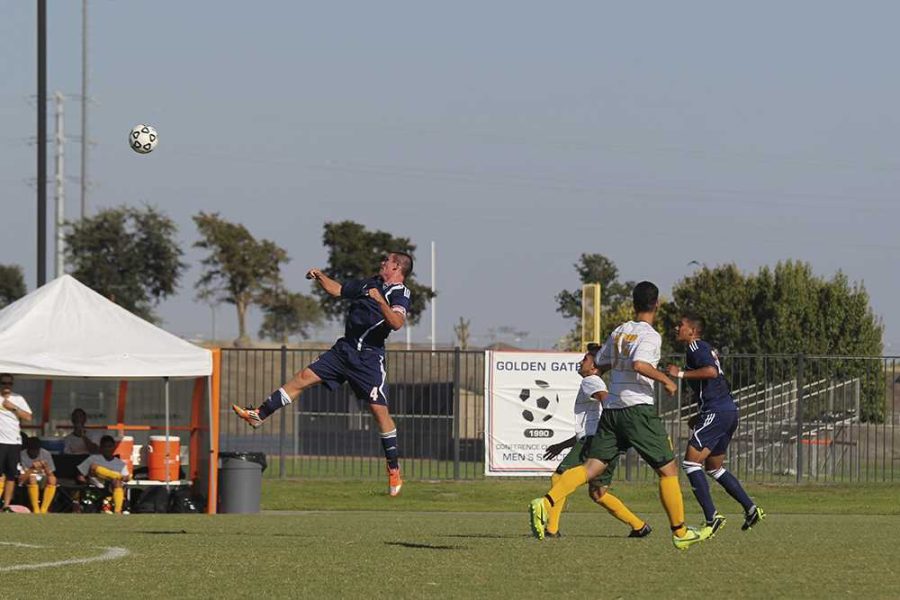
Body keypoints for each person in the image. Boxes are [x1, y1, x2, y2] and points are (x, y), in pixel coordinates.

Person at [529, 282, 705, 549]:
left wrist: (618, 364)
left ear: (633, 304)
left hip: (612, 411)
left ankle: (546, 502)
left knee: (590, 468)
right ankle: (680, 533)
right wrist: (666, 381)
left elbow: (601, 363)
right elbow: (640, 365)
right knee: (668, 470)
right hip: (637, 410)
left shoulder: (620, 331)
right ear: (656, 304)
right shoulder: (650, 335)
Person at [233, 253, 414, 496]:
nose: (381, 262)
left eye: (386, 260)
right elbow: (338, 289)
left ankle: (393, 469)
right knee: (302, 378)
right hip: (344, 350)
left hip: (369, 358)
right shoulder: (369, 283)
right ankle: (259, 415)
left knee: (379, 412)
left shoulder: (400, 293)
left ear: (396, 266)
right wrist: (320, 276)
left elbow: (397, 323)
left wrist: (380, 301)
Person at [665, 313, 765, 536]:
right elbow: (716, 379)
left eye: (680, 325)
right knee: (714, 467)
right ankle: (750, 509)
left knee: (690, 464)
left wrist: (679, 373)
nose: (676, 328)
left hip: (718, 411)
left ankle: (712, 517)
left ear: (692, 331)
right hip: (727, 411)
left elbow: (711, 372)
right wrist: (701, 414)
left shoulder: (695, 347)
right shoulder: (704, 347)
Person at [540, 344, 651, 539]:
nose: (580, 362)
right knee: (598, 493)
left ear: (593, 367)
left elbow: (604, 398)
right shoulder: (595, 380)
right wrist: (562, 445)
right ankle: (639, 525)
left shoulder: (590, 380)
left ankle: (551, 529)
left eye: (585, 359)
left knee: (560, 477)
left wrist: (617, 416)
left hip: (593, 441)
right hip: (604, 440)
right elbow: (592, 423)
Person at [0, 374, 32, 511]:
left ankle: (6, 506)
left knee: (11, 475)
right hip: (0, 441)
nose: (7, 386)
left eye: (9, 383)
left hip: (14, 441)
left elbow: (28, 417)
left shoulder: (18, 398)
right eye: (3, 383)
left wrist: (13, 407)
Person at [76, 435, 130, 514]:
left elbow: (126, 478)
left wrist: (124, 478)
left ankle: (117, 511)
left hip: (113, 487)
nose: (108, 449)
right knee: (94, 467)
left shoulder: (120, 463)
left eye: (110, 446)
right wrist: (86, 483)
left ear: (114, 447)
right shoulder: (93, 458)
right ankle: (116, 476)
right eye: (105, 446)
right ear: (101, 448)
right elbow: (80, 475)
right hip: (97, 486)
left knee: (117, 481)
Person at [18, 434, 57, 514]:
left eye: (36, 449)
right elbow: (20, 479)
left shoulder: (45, 454)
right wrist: (32, 469)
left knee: (53, 479)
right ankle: (36, 509)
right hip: (27, 479)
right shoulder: (21, 455)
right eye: (32, 449)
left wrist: (46, 467)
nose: (34, 452)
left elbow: (51, 475)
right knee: (32, 478)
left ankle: (44, 509)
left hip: (42, 478)